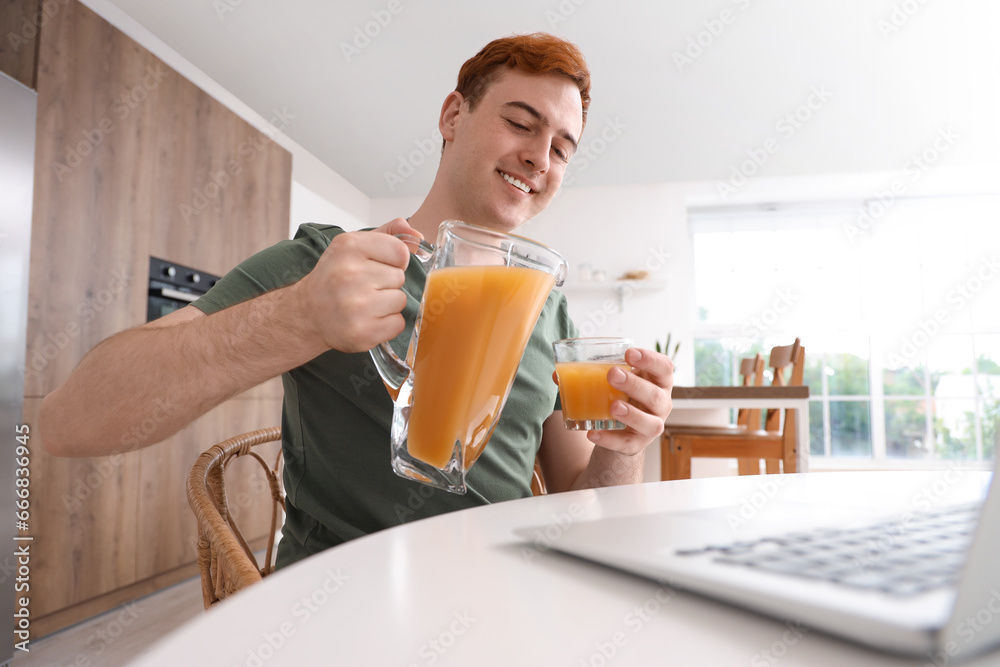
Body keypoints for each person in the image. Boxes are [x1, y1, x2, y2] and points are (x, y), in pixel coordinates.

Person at [39, 33, 674, 567]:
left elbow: (579, 501)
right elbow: (68, 424)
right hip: (340, 607)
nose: (539, 156)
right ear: (454, 116)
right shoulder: (324, 264)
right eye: (520, 123)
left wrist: (625, 447)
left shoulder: (549, 309)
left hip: (502, 594)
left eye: (562, 148)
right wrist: (298, 317)